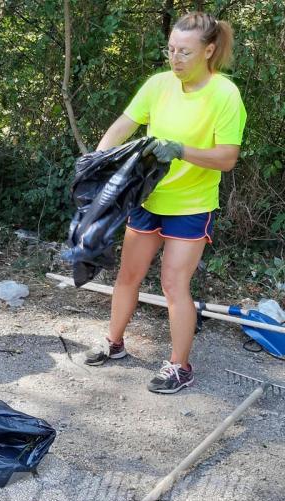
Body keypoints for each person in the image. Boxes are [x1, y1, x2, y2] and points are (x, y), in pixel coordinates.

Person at [85, 12, 246, 394]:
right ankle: (115, 343)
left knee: (174, 284)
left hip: (191, 205)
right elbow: (124, 123)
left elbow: (226, 158)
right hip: (147, 197)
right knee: (128, 274)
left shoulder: (224, 94)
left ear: (209, 51)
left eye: (185, 52)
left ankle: (179, 366)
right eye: (171, 49)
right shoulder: (159, 84)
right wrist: (95, 160)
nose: (175, 58)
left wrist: (180, 151)